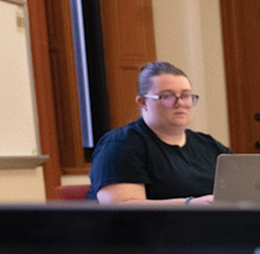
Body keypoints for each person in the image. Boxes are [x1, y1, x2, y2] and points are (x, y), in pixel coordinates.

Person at [88, 62, 231, 204]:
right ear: (142, 102)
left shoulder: (210, 146)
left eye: (186, 95)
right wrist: (190, 204)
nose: (180, 103)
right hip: (151, 227)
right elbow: (122, 207)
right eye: (167, 96)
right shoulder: (119, 145)